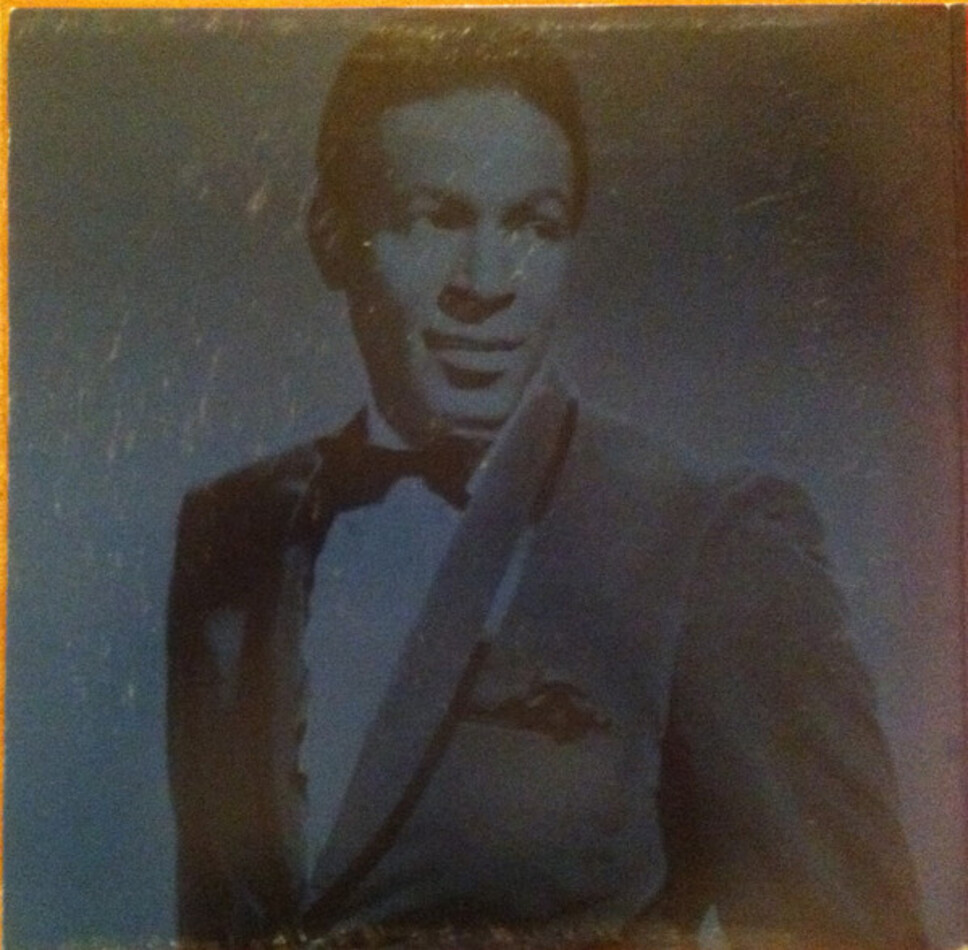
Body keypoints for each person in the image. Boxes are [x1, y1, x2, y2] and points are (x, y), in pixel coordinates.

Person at [167, 16, 927, 949]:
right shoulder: (232, 531)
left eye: (533, 225)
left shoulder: (710, 541)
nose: (488, 282)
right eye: (436, 217)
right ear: (331, 234)